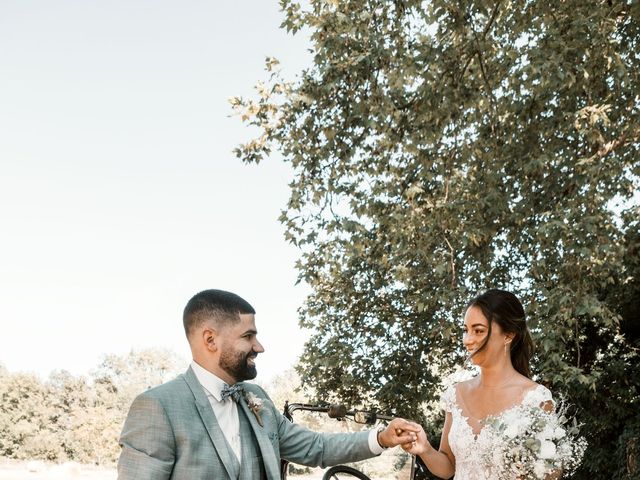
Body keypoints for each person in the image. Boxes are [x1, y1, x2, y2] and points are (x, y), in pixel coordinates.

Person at [117, 289, 420, 480]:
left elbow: (316, 447)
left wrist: (381, 438)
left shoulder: (256, 397)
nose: (259, 346)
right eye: (248, 336)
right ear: (210, 339)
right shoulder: (158, 407)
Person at [402, 289, 554, 479]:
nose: (468, 340)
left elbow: (551, 472)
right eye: (466, 330)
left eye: (478, 330)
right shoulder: (456, 394)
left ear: (508, 335)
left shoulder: (535, 398)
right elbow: (449, 467)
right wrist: (424, 449)